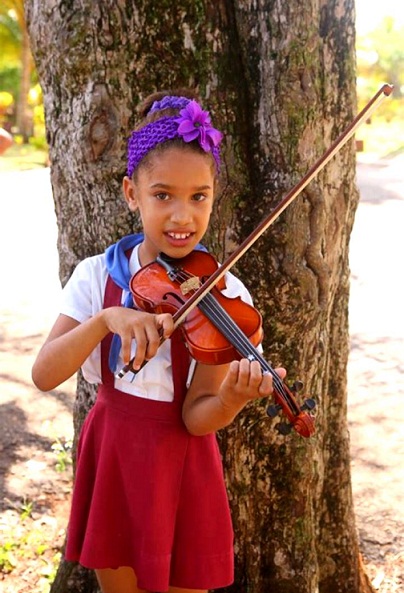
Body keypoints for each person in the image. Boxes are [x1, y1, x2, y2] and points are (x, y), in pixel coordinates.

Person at [32, 89, 286, 593]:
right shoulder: (96, 277)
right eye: (162, 195)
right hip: (115, 456)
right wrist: (106, 319)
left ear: (214, 194)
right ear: (132, 194)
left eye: (199, 197)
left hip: (184, 464)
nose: (181, 217)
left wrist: (231, 399)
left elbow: (196, 417)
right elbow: (44, 375)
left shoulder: (223, 295)